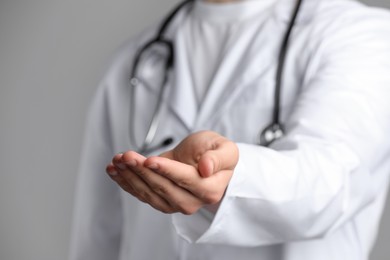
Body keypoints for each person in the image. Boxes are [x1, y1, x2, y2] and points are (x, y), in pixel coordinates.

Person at [69, 0, 390, 259]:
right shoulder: (134, 61)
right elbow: (98, 234)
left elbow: (331, 181)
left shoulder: (359, 33)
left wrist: (235, 178)